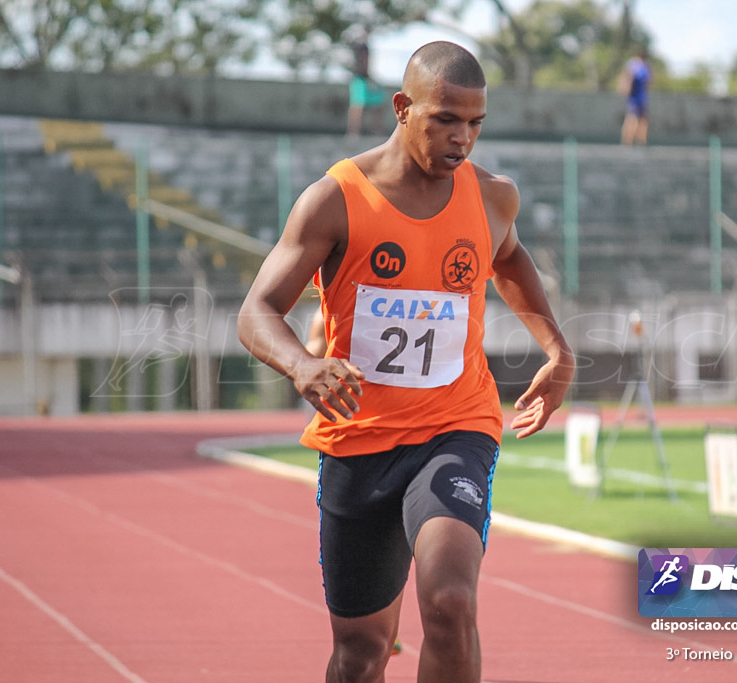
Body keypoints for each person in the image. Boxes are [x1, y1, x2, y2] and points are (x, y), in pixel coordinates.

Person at [237, 41, 575, 683]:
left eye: (475, 123)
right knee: (362, 653)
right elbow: (256, 312)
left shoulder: (493, 197)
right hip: (358, 441)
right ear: (401, 107)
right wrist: (302, 367)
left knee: (450, 603)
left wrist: (557, 347)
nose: (463, 139)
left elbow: (508, 260)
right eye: (446, 119)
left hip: (456, 429)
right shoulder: (336, 199)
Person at [347, 40, 388, 137]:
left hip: (365, 78)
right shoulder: (361, 50)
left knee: (377, 104)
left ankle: (375, 131)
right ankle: (354, 131)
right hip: (360, 78)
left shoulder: (362, 48)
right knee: (358, 105)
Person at [618, 48, 652, 145]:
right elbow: (627, 78)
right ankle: (627, 140)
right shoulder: (634, 65)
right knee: (632, 118)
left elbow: (648, 81)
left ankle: (640, 140)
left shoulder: (642, 66)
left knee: (642, 119)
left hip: (641, 97)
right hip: (635, 96)